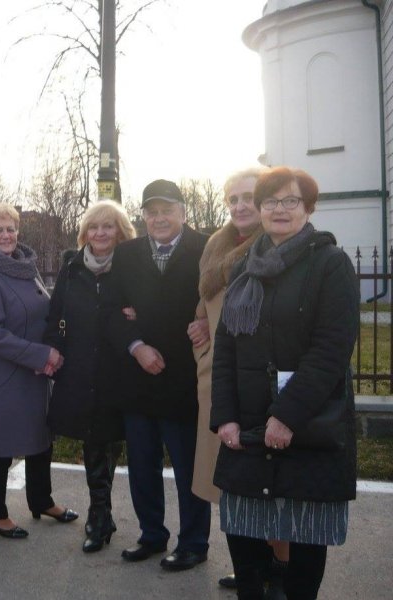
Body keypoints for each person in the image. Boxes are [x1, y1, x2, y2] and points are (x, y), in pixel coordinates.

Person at [210, 167, 360, 600]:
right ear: (259, 209)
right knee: (244, 534)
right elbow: (226, 350)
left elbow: (331, 351)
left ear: (308, 208)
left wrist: (286, 416)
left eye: (291, 201)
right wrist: (225, 417)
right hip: (247, 426)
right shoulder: (244, 268)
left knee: (305, 540)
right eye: (271, 201)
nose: (280, 209)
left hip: (307, 423)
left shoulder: (330, 264)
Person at [104, 179, 210, 571]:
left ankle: (194, 542)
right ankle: (151, 534)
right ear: (144, 216)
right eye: (152, 212)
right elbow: (112, 311)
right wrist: (136, 346)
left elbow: (220, 301)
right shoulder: (127, 254)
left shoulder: (205, 248)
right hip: (139, 377)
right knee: (142, 465)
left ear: (183, 212)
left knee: (188, 468)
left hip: (185, 378)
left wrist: (208, 324)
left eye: (167, 210)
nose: (159, 218)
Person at [0, 203, 77, 540]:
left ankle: (42, 500)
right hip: (2, 374)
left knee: (41, 439)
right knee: (0, 446)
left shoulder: (24, 267)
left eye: (11, 229)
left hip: (35, 372)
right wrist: (41, 355)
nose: (6, 235)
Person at [186, 167, 276, 590]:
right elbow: (205, 305)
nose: (240, 206)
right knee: (229, 479)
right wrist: (200, 328)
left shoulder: (276, 243)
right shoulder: (216, 246)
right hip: (218, 377)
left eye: (249, 197)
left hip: (260, 377)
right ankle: (249, 566)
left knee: (267, 481)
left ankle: (275, 568)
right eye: (233, 199)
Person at [44, 200, 135, 553]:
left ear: (120, 231)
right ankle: (100, 514)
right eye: (94, 227)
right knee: (93, 438)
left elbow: (149, 306)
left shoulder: (131, 267)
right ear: (85, 232)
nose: (100, 233)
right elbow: (55, 315)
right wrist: (52, 348)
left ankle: (104, 513)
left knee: (111, 437)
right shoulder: (72, 268)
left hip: (120, 367)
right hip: (80, 367)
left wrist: (138, 314)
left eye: (108, 226)